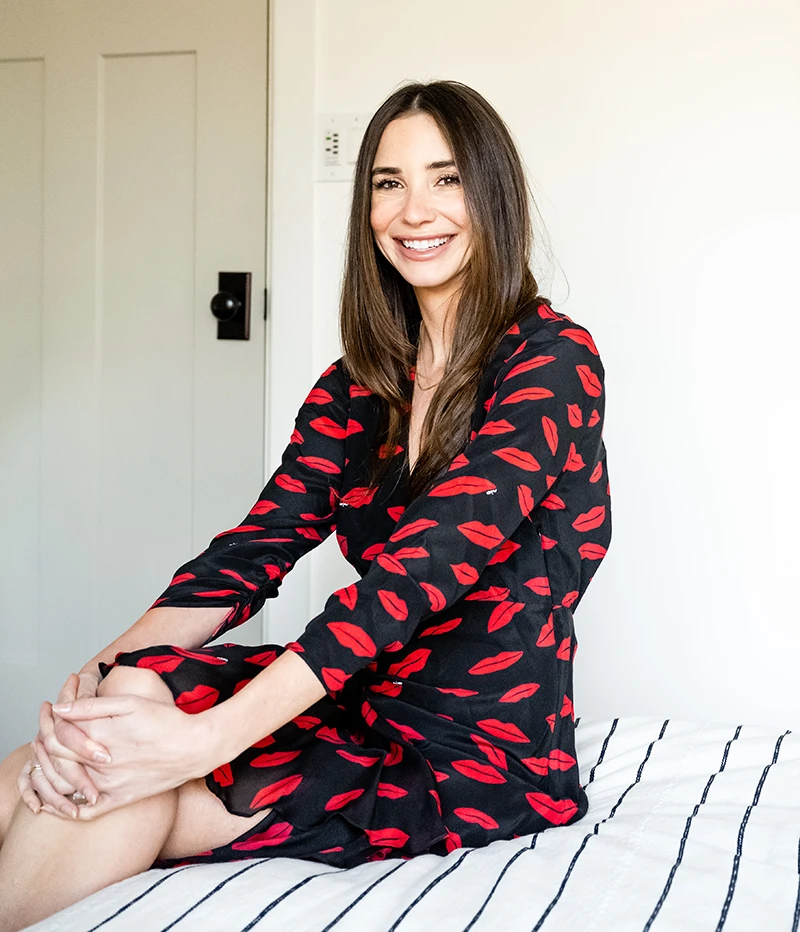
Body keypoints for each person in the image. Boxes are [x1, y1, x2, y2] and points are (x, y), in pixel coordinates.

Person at [0, 80, 611, 929]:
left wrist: (208, 741)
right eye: (388, 183)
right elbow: (257, 546)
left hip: (472, 752)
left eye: (446, 178)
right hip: (355, 697)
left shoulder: (552, 363)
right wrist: (90, 687)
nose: (414, 209)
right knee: (121, 708)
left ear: (493, 196)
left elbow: (412, 577)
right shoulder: (358, 385)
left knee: (111, 782)